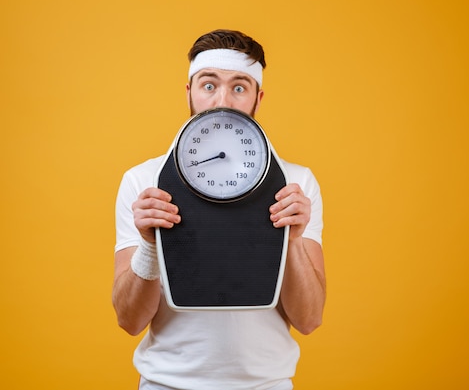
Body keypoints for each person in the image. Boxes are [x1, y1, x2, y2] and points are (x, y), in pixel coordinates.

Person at [113, 29, 326, 390]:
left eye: (239, 87)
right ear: (190, 92)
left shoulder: (295, 185)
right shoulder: (144, 182)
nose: (222, 101)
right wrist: (150, 246)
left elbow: (309, 319)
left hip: (267, 384)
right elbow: (130, 321)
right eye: (209, 85)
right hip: (167, 383)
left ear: (258, 99)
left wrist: (292, 242)